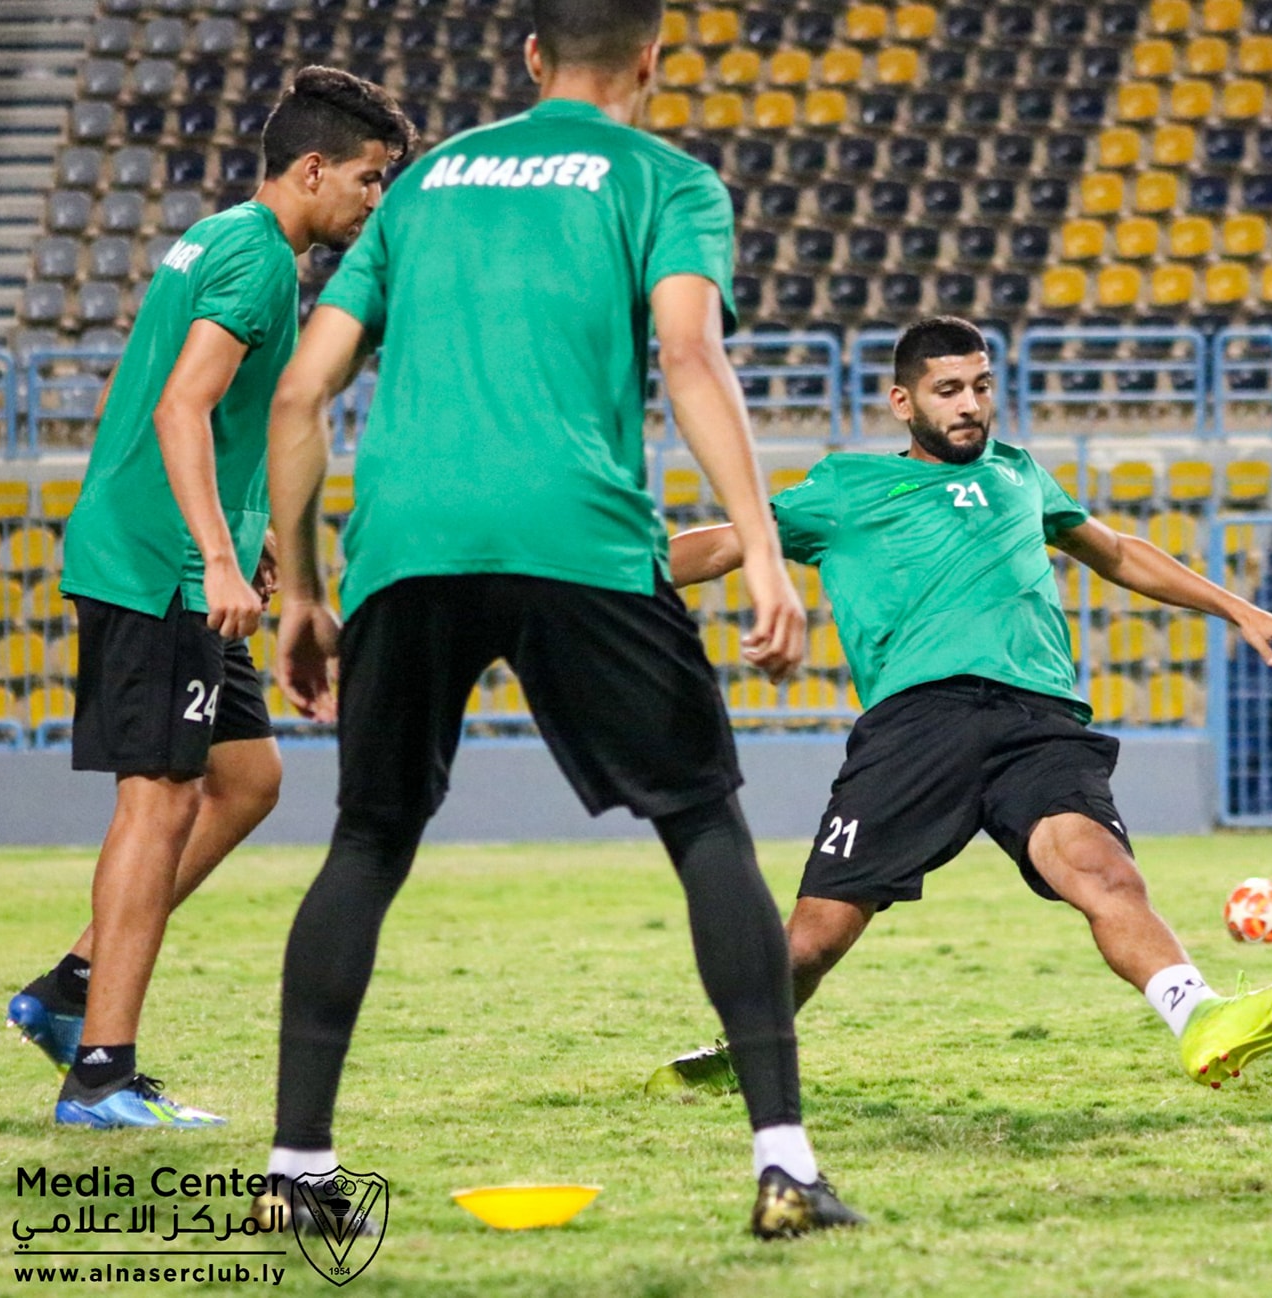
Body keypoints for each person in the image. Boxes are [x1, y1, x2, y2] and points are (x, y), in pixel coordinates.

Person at [254, 0, 857, 1239]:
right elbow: (690, 357)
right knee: (700, 821)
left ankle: (296, 1172)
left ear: (530, 58)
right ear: (649, 59)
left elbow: (302, 393)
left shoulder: (417, 191)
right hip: (576, 533)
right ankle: (783, 1164)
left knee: (366, 842)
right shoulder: (667, 180)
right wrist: (757, 547)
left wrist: (306, 591)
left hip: (407, 542)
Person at [646, 316, 1272, 1102]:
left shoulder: (1020, 475)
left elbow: (1113, 550)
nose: (969, 404)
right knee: (813, 939)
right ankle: (747, 1050)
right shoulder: (848, 488)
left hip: (1036, 723)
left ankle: (1201, 1016)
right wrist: (603, 578)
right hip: (916, 726)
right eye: (948, 391)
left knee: (1103, 872)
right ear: (904, 402)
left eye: (980, 386)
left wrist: (1235, 607)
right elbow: (729, 543)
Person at [4, 69, 412, 1130]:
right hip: (160, 571)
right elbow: (182, 408)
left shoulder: (225, 238)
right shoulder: (258, 259)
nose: (376, 201)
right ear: (312, 168)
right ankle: (99, 1070)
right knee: (162, 797)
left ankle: (65, 990)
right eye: (370, 179)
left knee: (248, 777)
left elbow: (183, 407)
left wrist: (249, 531)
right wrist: (216, 557)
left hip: (181, 555)